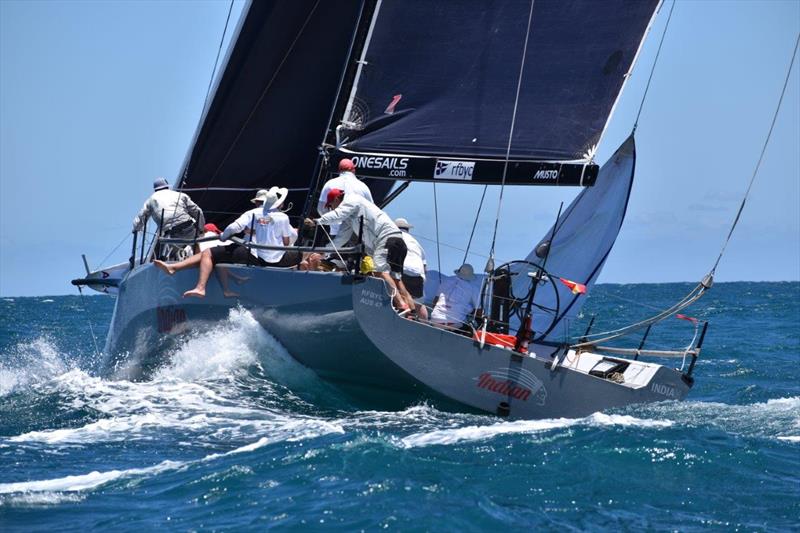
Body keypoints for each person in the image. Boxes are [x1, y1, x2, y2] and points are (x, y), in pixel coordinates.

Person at [155, 187, 301, 298]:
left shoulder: (252, 213)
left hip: (254, 256)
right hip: (279, 260)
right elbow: (287, 241)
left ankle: (198, 286)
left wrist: (224, 236)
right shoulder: (283, 218)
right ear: (279, 204)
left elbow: (233, 227)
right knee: (304, 253)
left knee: (209, 253)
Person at [304, 189, 415, 313]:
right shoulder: (350, 217)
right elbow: (341, 238)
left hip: (387, 239)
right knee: (396, 279)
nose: (331, 209)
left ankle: (401, 305)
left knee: (379, 271)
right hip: (396, 240)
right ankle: (411, 311)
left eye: (330, 206)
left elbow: (338, 215)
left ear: (336, 199)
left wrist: (317, 221)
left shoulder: (351, 199)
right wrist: (324, 253)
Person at [132, 177, 204, 260]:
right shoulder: (180, 195)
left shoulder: (150, 200)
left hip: (171, 234)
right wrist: (200, 228)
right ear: (167, 187)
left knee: (168, 258)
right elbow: (198, 211)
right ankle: (199, 261)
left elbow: (139, 219)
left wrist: (136, 229)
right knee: (195, 245)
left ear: (155, 190)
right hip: (189, 228)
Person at [317, 159, 374, 235]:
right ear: (353, 170)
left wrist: (333, 221)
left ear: (339, 170)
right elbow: (371, 211)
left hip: (336, 233)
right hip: (357, 235)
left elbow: (321, 209)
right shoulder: (363, 187)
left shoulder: (330, 184)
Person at [430, 263, 481, 332]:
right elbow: (478, 312)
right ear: (470, 276)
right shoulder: (473, 288)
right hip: (455, 325)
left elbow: (435, 302)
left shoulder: (446, 281)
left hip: (435, 320)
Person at [394, 217, 428, 320]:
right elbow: (425, 268)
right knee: (419, 304)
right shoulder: (416, 243)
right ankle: (425, 325)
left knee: (396, 297)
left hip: (402, 272)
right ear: (407, 229)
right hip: (418, 275)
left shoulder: (391, 236)